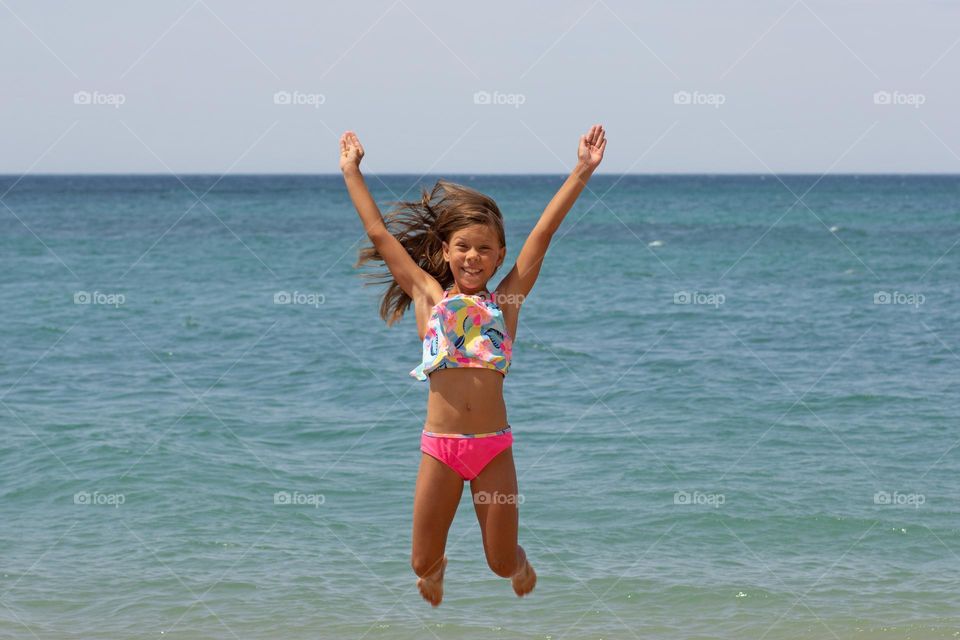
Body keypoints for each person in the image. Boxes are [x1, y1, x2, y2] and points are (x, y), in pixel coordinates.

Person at [340, 125, 607, 606]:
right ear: (445, 251)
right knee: (420, 564)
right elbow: (379, 233)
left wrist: (582, 170)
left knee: (501, 563)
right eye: (463, 246)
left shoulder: (506, 301)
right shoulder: (428, 296)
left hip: (492, 450)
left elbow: (543, 233)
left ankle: (522, 563)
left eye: (485, 248)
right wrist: (351, 171)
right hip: (439, 448)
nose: (473, 256)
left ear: (500, 255)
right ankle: (436, 571)